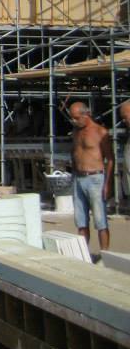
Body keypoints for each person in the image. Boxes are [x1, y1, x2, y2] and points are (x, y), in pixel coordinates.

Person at [69, 101, 113, 251]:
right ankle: (83, 252)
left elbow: (110, 159)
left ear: (85, 115)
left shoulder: (100, 132)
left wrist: (107, 183)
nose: (74, 121)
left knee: (100, 220)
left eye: (76, 118)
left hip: (95, 178)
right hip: (78, 177)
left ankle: (105, 255)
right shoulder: (76, 132)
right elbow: (74, 152)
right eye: (72, 118)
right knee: (80, 220)